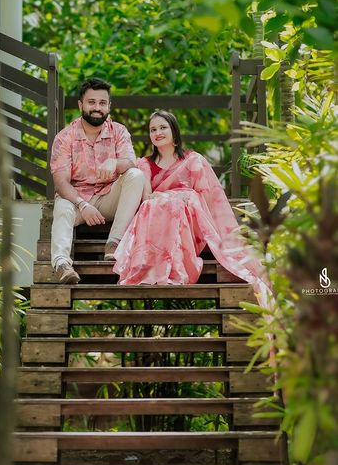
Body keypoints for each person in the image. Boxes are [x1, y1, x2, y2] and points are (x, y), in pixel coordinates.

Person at [113, 110, 271, 307]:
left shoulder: (193, 160)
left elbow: (203, 197)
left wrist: (177, 197)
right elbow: (147, 198)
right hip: (157, 219)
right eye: (153, 129)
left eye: (163, 127)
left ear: (174, 131)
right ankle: (149, 267)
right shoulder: (144, 164)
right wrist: (169, 198)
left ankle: (176, 268)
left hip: (188, 219)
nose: (158, 132)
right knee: (154, 205)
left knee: (174, 204)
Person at [50, 77, 144, 284]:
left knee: (136, 176)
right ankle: (62, 264)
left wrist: (114, 163)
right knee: (62, 207)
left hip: (109, 198)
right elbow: (61, 182)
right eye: (91, 102)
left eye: (102, 103)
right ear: (80, 104)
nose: (97, 108)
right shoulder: (65, 137)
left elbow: (130, 162)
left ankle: (114, 242)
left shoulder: (118, 131)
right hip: (77, 201)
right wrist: (83, 205)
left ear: (109, 106)